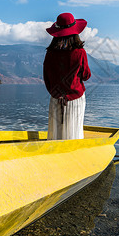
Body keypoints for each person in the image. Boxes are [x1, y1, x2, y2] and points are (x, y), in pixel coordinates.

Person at [43, 12, 91, 140]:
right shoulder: (80, 53)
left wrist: (55, 93)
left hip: (56, 98)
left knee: (56, 133)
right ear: (75, 32)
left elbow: (46, 77)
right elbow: (86, 75)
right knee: (74, 132)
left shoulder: (50, 54)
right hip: (75, 98)